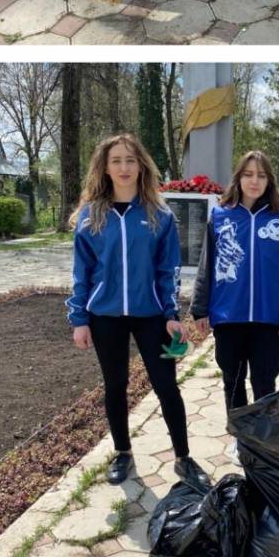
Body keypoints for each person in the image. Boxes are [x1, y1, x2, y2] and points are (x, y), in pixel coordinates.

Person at [66, 133, 201, 486]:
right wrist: (79, 320)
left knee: (166, 385)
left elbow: (167, 271)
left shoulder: (159, 215)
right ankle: (123, 453)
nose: (124, 167)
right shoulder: (90, 216)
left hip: (150, 315)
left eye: (130, 160)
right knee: (115, 385)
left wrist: (171, 315)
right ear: (105, 168)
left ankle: (184, 458)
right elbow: (81, 273)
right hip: (104, 316)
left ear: (141, 165)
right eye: (116, 161)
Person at [191, 150, 279, 464]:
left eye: (261, 175)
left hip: (267, 318)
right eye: (248, 174)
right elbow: (206, 265)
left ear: (269, 181)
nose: (255, 181)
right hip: (229, 316)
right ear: (238, 178)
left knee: (265, 381)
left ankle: (263, 442)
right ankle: (241, 440)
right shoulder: (222, 215)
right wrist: (200, 308)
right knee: (233, 380)